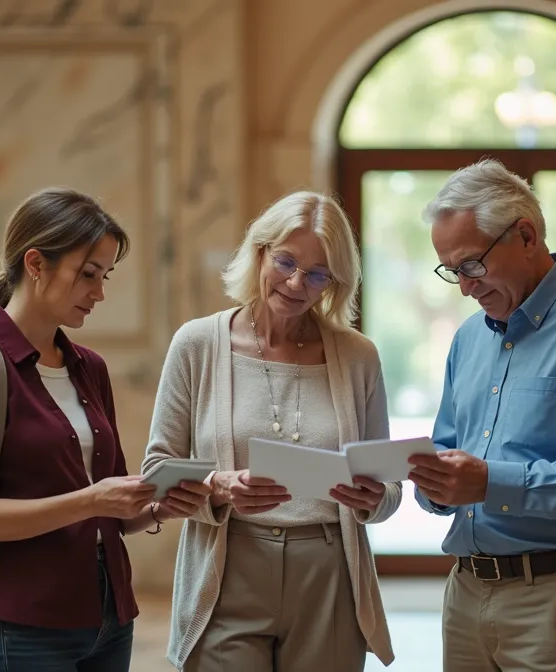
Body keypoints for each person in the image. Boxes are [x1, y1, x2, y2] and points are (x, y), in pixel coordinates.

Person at [0, 187, 212, 672]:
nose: (99, 293)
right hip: (21, 625)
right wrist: (92, 500)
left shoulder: (89, 368)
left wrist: (157, 506)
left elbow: (115, 511)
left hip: (109, 617)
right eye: (88, 274)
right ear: (35, 263)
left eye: (104, 276)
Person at [143, 191, 400, 671]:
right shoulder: (197, 344)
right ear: (259, 252)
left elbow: (389, 487)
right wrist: (219, 486)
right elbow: (157, 471)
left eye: (318, 273)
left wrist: (373, 498)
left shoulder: (358, 355)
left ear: (333, 282)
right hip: (227, 567)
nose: (297, 283)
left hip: (329, 574)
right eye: (285, 261)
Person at [407, 159, 556, 672]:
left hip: (551, 596)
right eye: (452, 272)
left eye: (472, 266)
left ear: (525, 236)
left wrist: (488, 483)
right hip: (463, 592)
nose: (464, 287)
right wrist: (432, 484)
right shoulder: (466, 339)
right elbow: (448, 447)